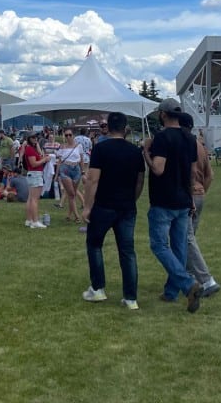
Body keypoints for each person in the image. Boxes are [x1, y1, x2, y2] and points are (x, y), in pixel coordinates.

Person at [142, 98, 203, 313]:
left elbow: (158, 169)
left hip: (163, 199)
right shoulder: (190, 138)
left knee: (159, 245)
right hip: (183, 199)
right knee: (179, 247)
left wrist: (146, 152)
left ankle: (187, 284)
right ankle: (171, 292)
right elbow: (193, 172)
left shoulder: (162, 137)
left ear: (163, 114)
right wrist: (190, 197)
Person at [81, 112, 145, 310]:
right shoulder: (135, 151)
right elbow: (140, 181)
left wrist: (87, 207)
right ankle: (131, 298)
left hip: (103, 205)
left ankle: (98, 288)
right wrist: (132, 199)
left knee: (94, 245)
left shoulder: (101, 149)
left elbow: (93, 180)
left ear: (107, 127)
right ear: (125, 128)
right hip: (127, 206)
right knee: (127, 251)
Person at [180, 113, 220, 297]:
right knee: (188, 238)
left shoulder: (186, 145)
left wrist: (192, 192)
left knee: (187, 238)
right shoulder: (201, 147)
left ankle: (206, 280)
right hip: (200, 194)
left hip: (189, 195)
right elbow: (210, 175)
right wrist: (202, 190)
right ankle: (189, 277)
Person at [56, 129, 85, 223]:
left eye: (70, 135)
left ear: (73, 135)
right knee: (71, 194)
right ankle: (77, 216)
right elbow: (59, 161)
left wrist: (83, 172)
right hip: (65, 169)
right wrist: (56, 175)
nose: (68, 137)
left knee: (73, 194)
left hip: (76, 169)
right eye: (66, 135)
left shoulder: (79, 146)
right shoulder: (62, 147)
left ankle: (68, 215)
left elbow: (81, 160)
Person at [21, 133, 47, 229]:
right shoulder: (30, 149)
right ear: (29, 138)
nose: (35, 139)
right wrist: (44, 160)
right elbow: (34, 163)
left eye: (36, 137)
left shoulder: (31, 148)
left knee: (31, 198)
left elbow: (39, 157)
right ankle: (35, 221)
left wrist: (38, 147)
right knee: (35, 199)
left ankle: (29, 220)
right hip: (35, 174)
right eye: (33, 137)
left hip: (33, 174)